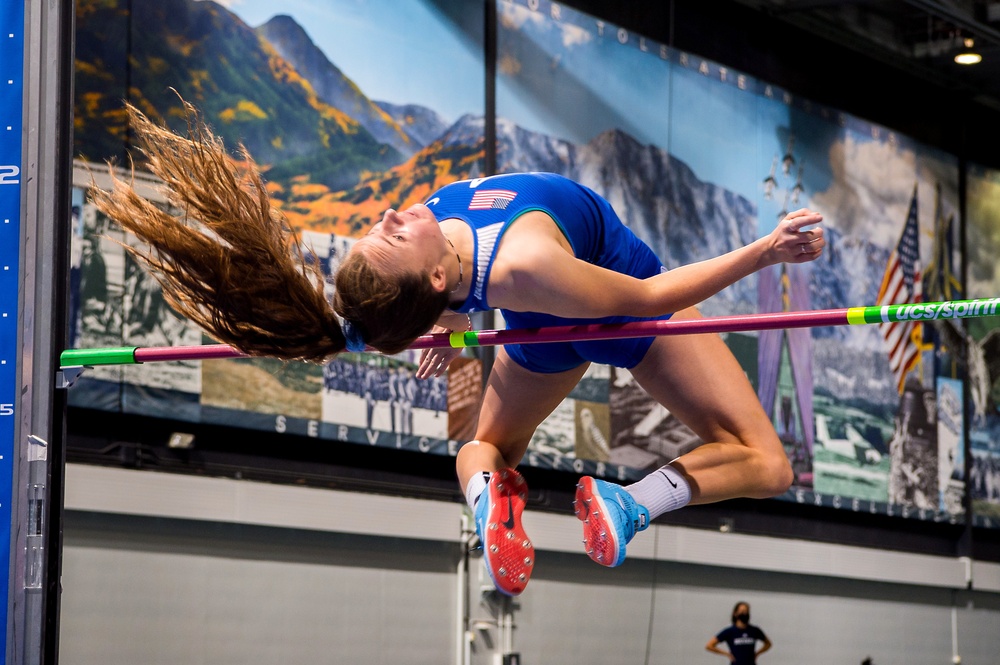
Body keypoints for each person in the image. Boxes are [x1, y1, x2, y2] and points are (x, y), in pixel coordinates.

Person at [91, 101, 825, 596]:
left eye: (375, 229)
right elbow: (648, 299)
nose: (386, 214)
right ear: (436, 275)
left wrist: (439, 330)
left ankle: (488, 500)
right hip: (611, 298)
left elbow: (415, 306)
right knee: (766, 460)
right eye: (390, 236)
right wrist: (761, 252)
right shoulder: (520, 262)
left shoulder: (439, 265)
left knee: (482, 450)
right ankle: (630, 505)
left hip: (535, 332)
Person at [705, 601, 772, 664]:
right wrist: (727, 654)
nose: (744, 613)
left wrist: (757, 653)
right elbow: (709, 645)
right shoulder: (730, 631)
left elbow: (768, 644)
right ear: (735, 613)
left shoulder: (755, 630)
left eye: (746, 611)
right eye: (742, 611)